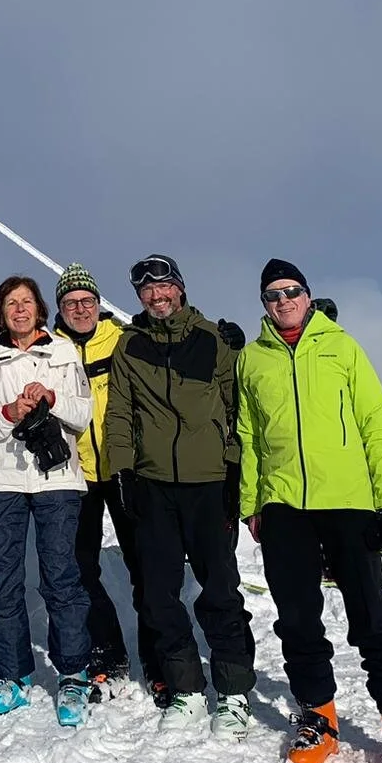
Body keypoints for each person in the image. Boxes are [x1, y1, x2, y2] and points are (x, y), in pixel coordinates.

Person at [237, 259, 382, 763]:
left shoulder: (341, 347)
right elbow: (249, 435)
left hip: (347, 500)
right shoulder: (253, 359)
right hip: (283, 508)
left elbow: (375, 422)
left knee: (370, 613)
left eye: (291, 291)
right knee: (297, 618)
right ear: (264, 303)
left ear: (308, 295)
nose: (283, 301)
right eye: (273, 295)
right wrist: (253, 504)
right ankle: (318, 716)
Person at [103, 253, 254, 736]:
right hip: (153, 486)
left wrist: (233, 472)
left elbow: (237, 411)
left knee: (220, 590)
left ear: (180, 288)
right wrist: (123, 471)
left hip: (209, 484)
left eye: (164, 285)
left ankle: (232, 693)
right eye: (146, 289)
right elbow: (120, 414)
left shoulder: (212, 340)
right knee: (160, 593)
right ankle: (186, 688)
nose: (156, 295)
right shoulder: (130, 347)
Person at [0, 275, 95, 727]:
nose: (19, 310)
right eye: (10, 303)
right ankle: (14, 677)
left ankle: (75, 676)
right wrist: (11, 412)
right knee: (2, 578)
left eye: (26, 302)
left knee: (61, 577)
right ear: (0, 313)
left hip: (57, 480)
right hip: (4, 480)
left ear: (39, 310)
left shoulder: (62, 351)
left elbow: (83, 414)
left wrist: (51, 397)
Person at [53, 263, 160, 697]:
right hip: (74, 471)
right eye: (71, 303)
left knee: (146, 566)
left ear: (99, 303)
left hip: (124, 468)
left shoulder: (125, 339)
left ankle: (158, 659)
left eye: (87, 301)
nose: (80, 309)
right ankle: (106, 651)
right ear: (60, 308)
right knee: (81, 569)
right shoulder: (49, 347)